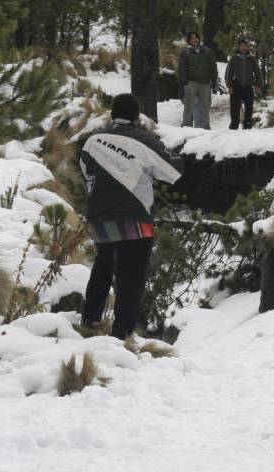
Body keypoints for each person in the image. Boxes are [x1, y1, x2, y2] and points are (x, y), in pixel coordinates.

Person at [78, 94, 184, 340]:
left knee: (103, 268)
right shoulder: (145, 140)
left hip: (99, 218)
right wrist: (175, 156)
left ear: (112, 114)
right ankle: (121, 334)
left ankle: (90, 322)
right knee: (131, 278)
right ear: (137, 117)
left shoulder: (92, 141)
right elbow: (172, 172)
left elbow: (86, 172)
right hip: (135, 218)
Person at [177, 31, 217, 129]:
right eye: (192, 38)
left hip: (205, 82)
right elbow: (182, 68)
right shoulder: (185, 52)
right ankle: (186, 125)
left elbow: (213, 66)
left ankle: (205, 127)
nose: (194, 40)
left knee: (205, 106)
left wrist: (214, 80)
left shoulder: (207, 51)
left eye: (196, 38)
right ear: (189, 40)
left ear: (199, 39)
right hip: (191, 82)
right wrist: (185, 81)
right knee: (188, 105)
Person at [225, 39, 263, 130]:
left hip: (248, 87)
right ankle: (234, 126)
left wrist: (258, 85)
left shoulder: (252, 59)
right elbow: (228, 73)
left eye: (245, 45)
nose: (243, 47)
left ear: (247, 47)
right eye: (241, 45)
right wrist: (229, 86)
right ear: (239, 47)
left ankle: (247, 126)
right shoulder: (234, 59)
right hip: (236, 87)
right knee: (235, 110)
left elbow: (258, 72)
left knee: (249, 109)